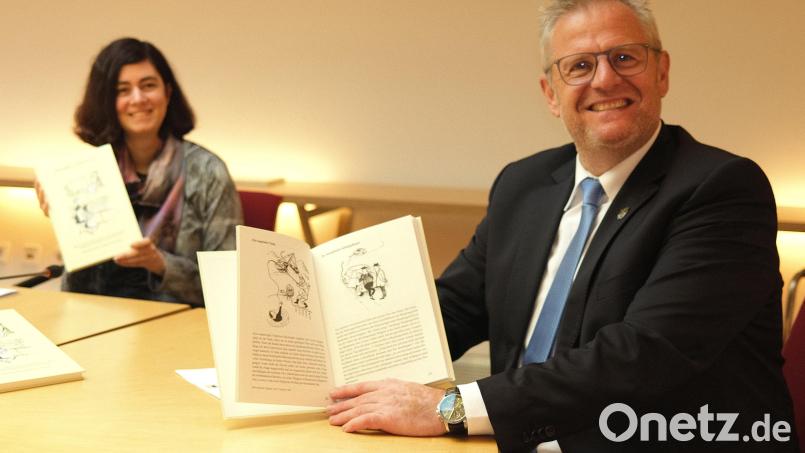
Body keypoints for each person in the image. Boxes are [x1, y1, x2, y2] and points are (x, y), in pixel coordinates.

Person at [326, 1, 798, 452]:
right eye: (579, 66)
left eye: (624, 57)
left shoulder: (721, 189)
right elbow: (450, 310)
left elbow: (642, 356)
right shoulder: (523, 185)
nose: (605, 79)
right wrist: (320, 356)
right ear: (551, 93)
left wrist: (450, 408)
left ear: (662, 72)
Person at [35, 38, 242, 307]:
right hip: (94, 319)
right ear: (107, 102)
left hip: (180, 327)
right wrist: (65, 217)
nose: (138, 99)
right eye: (122, 90)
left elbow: (229, 285)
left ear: (167, 93)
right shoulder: (86, 173)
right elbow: (75, 282)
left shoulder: (208, 173)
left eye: (148, 85)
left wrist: (160, 263)